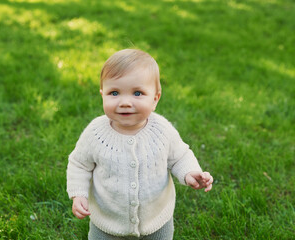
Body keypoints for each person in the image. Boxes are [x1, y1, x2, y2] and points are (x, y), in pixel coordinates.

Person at [66, 49, 213, 239]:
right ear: (102, 94)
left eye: (137, 93)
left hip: (156, 221)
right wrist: (78, 194)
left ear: (155, 98)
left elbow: (180, 156)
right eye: (114, 92)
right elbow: (79, 164)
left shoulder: (162, 130)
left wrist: (190, 172)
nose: (125, 102)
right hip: (107, 222)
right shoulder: (95, 133)